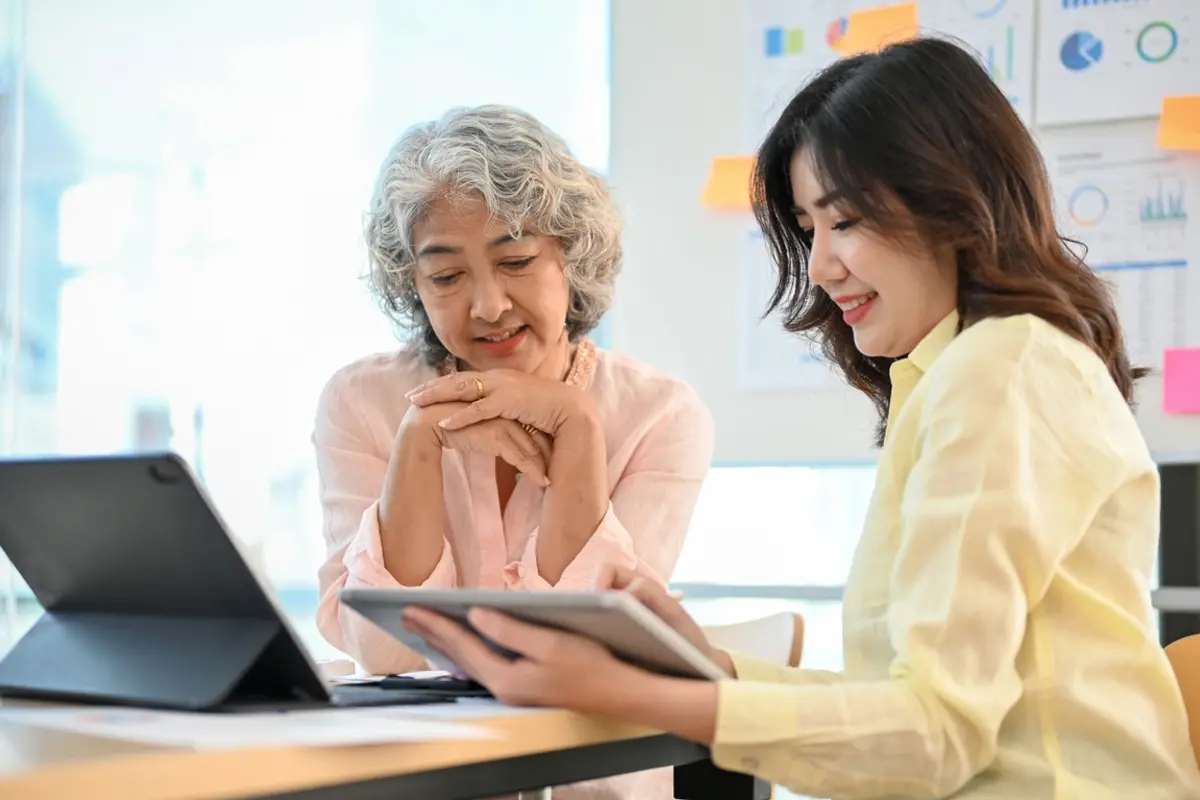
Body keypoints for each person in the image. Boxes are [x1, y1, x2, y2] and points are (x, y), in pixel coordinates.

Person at [400, 39, 1200, 799]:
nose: (819, 267)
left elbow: (936, 735)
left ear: (953, 203)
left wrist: (636, 693)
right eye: (810, 229)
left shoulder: (1005, 369)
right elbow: (895, 702)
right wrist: (699, 665)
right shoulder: (961, 373)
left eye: (845, 221)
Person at [311, 105, 713, 798]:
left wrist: (579, 434)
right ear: (413, 284)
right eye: (446, 277)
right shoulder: (362, 403)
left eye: (517, 261)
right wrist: (419, 440)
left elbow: (585, 655)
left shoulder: (659, 415)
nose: (488, 306)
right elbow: (384, 651)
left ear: (572, 255)